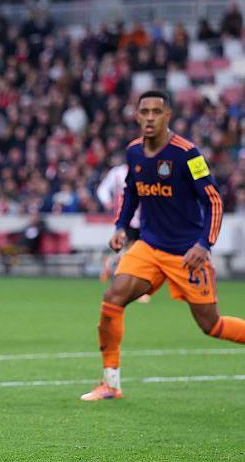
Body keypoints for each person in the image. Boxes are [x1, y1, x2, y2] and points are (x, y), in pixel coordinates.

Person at [82, 90, 245, 401]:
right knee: (112, 299)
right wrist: (120, 227)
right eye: (145, 111)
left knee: (211, 325)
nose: (150, 117)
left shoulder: (187, 154)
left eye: (157, 111)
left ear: (168, 115)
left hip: (186, 254)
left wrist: (204, 244)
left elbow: (213, 200)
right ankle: (110, 383)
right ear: (136, 115)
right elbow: (131, 192)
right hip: (149, 247)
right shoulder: (133, 153)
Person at [96, 158, 151, 303]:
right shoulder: (118, 173)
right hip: (127, 218)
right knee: (135, 253)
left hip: (144, 218)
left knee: (133, 252)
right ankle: (136, 289)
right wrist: (107, 201)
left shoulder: (145, 169)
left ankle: (109, 263)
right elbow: (103, 189)